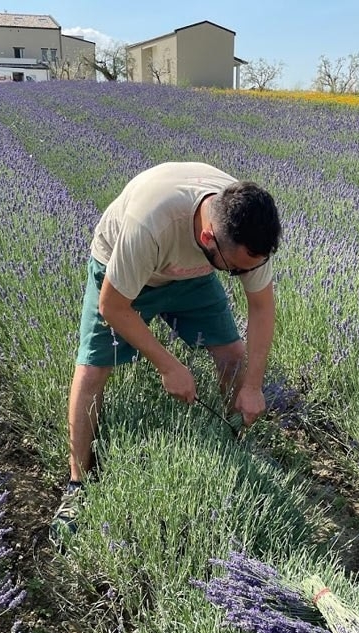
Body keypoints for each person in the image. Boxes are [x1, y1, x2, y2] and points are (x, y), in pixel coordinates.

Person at [50, 161, 282, 537]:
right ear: (209, 239)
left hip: (193, 277)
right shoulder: (152, 223)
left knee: (234, 359)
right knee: (93, 370)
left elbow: (261, 307)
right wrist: (168, 365)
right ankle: (77, 484)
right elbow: (113, 307)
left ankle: (234, 445)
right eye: (235, 270)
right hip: (122, 273)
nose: (241, 276)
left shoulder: (244, 229)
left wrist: (253, 386)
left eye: (247, 269)